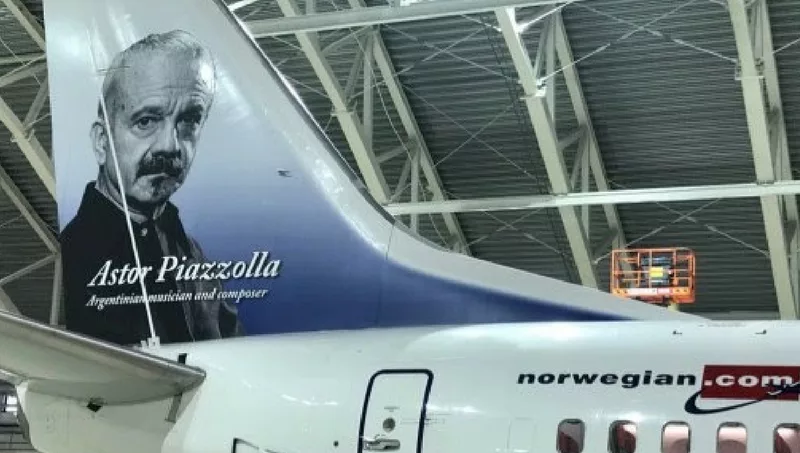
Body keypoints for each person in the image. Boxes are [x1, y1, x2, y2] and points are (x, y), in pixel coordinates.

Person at [60, 29, 244, 346]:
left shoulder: (191, 254)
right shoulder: (72, 259)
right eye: (146, 121)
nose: (170, 145)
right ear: (102, 142)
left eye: (188, 120)